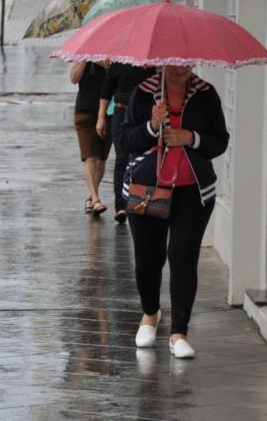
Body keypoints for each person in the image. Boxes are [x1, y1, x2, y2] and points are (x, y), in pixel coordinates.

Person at [120, 65, 228, 358]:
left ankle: (179, 332)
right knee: (148, 258)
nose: (180, 67)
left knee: (183, 256)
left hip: (192, 192)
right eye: (173, 60)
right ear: (162, 61)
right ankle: (150, 314)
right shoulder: (144, 93)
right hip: (149, 188)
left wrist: (189, 137)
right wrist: (151, 127)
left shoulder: (206, 94)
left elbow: (220, 140)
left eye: (185, 60)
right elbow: (126, 139)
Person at [96, 63, 156, 224]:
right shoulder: (118, 62)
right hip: (121, 113)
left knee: (144, 158)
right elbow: (106, 91)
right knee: (122, 157)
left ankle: (142, 201)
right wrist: (101, 117)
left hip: (144, 115)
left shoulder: (152, 63)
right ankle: (121, 206)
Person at [71, 61, 112, 217]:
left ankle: (90, 196)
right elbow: (74, 78)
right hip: (85, 112)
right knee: (90, 157)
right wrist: (85, 59)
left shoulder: (112, 57)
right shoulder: (83, 58)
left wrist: (102, 62)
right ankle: (95, 199)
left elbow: (116, 75)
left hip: (109, 112)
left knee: (101, 158)